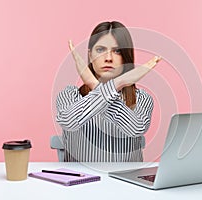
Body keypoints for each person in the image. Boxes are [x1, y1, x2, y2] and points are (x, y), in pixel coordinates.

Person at [56, 21, 161, 162]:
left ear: (126, 57)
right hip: (81, 182)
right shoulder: (70, 95)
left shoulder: (142, 99)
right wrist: (118, 83)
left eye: (117, 51)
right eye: (100, 50)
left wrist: (94, 85)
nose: (108, 58)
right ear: (90, 55)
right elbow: (68, 121)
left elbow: (136, 128)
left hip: (124, 182)